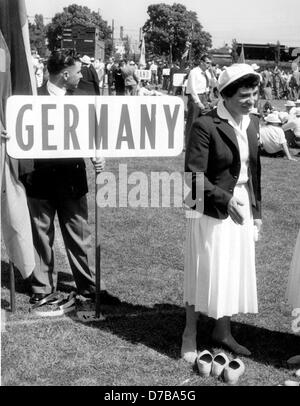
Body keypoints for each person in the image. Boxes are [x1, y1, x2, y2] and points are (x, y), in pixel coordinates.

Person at [21, 50, 118, 306]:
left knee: (79, 235)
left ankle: (88, 286)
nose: (80, 76)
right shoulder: (32, 99)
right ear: (65, 74)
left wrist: (98, 156)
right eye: (77, 72)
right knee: (40, 236)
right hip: (38, 179)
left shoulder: (84, 100)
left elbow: (92, 136)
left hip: (72, 180)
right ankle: (42, 287)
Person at [182, 64, 262, 363]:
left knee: (230, 268)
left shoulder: (252, 123)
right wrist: (225, 200)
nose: (251, 100)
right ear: (224, 96)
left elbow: (254, 171)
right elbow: (193, 176)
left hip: (240, 202)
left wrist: (256, 211)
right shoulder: (205, 124)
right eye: (244, 95)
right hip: (208, 206)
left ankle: (222, 332)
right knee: (202, 268)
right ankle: (189, 333)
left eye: (254, 94)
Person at [185, 54, 212, 146]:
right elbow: (192, 88)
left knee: (208, 119)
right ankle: (188, 143)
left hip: (204, 96)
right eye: (207, 63)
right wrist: (198, 102)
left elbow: (210, 85)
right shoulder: (194, 72)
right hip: (195, 97)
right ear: (201, 62)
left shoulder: (207, 73)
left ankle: (201, 141)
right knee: (192, 121)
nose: (209, 65)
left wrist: (208, 98)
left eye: (210, 63)